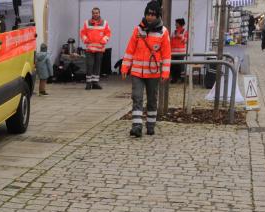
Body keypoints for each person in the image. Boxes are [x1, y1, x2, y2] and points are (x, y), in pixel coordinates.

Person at [121, 1, 171, 137]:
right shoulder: (138, 30)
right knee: (137, 97)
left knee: (152, 100)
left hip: (153, 73)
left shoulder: (163, 32)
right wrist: (125, 67)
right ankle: (136, 126)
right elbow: (130, 50)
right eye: (148, 14)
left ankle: (150, 125)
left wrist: (165, 72)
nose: (149, 17)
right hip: (137, 72)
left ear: (157, 16)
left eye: (153, 15)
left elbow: (166, 54)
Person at [80, 7, 111, 90]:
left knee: (97, 66)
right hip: (90, 48)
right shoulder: (87, 23)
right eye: (94, 13)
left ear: (99, 13)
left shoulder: (104, 23)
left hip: (100, 48)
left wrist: (104, 40)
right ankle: (88, 83)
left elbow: (108, 33)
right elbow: (82, 33)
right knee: (89, 65)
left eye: (97, 13)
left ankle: (95, 83)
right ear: (92, 14)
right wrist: (86, 40)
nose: (95, 14)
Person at [170, 18, 188, 82]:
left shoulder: (185, 31)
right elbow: (170, 41)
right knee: (173, 66)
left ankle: (182, 79)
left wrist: (180, 36)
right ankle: (174, 79)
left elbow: (185, 41)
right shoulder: (173, 32)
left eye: (176, 23)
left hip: (181, 52)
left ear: (180, 24)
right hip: (173, 52)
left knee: (181, 66)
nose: (175, 24)